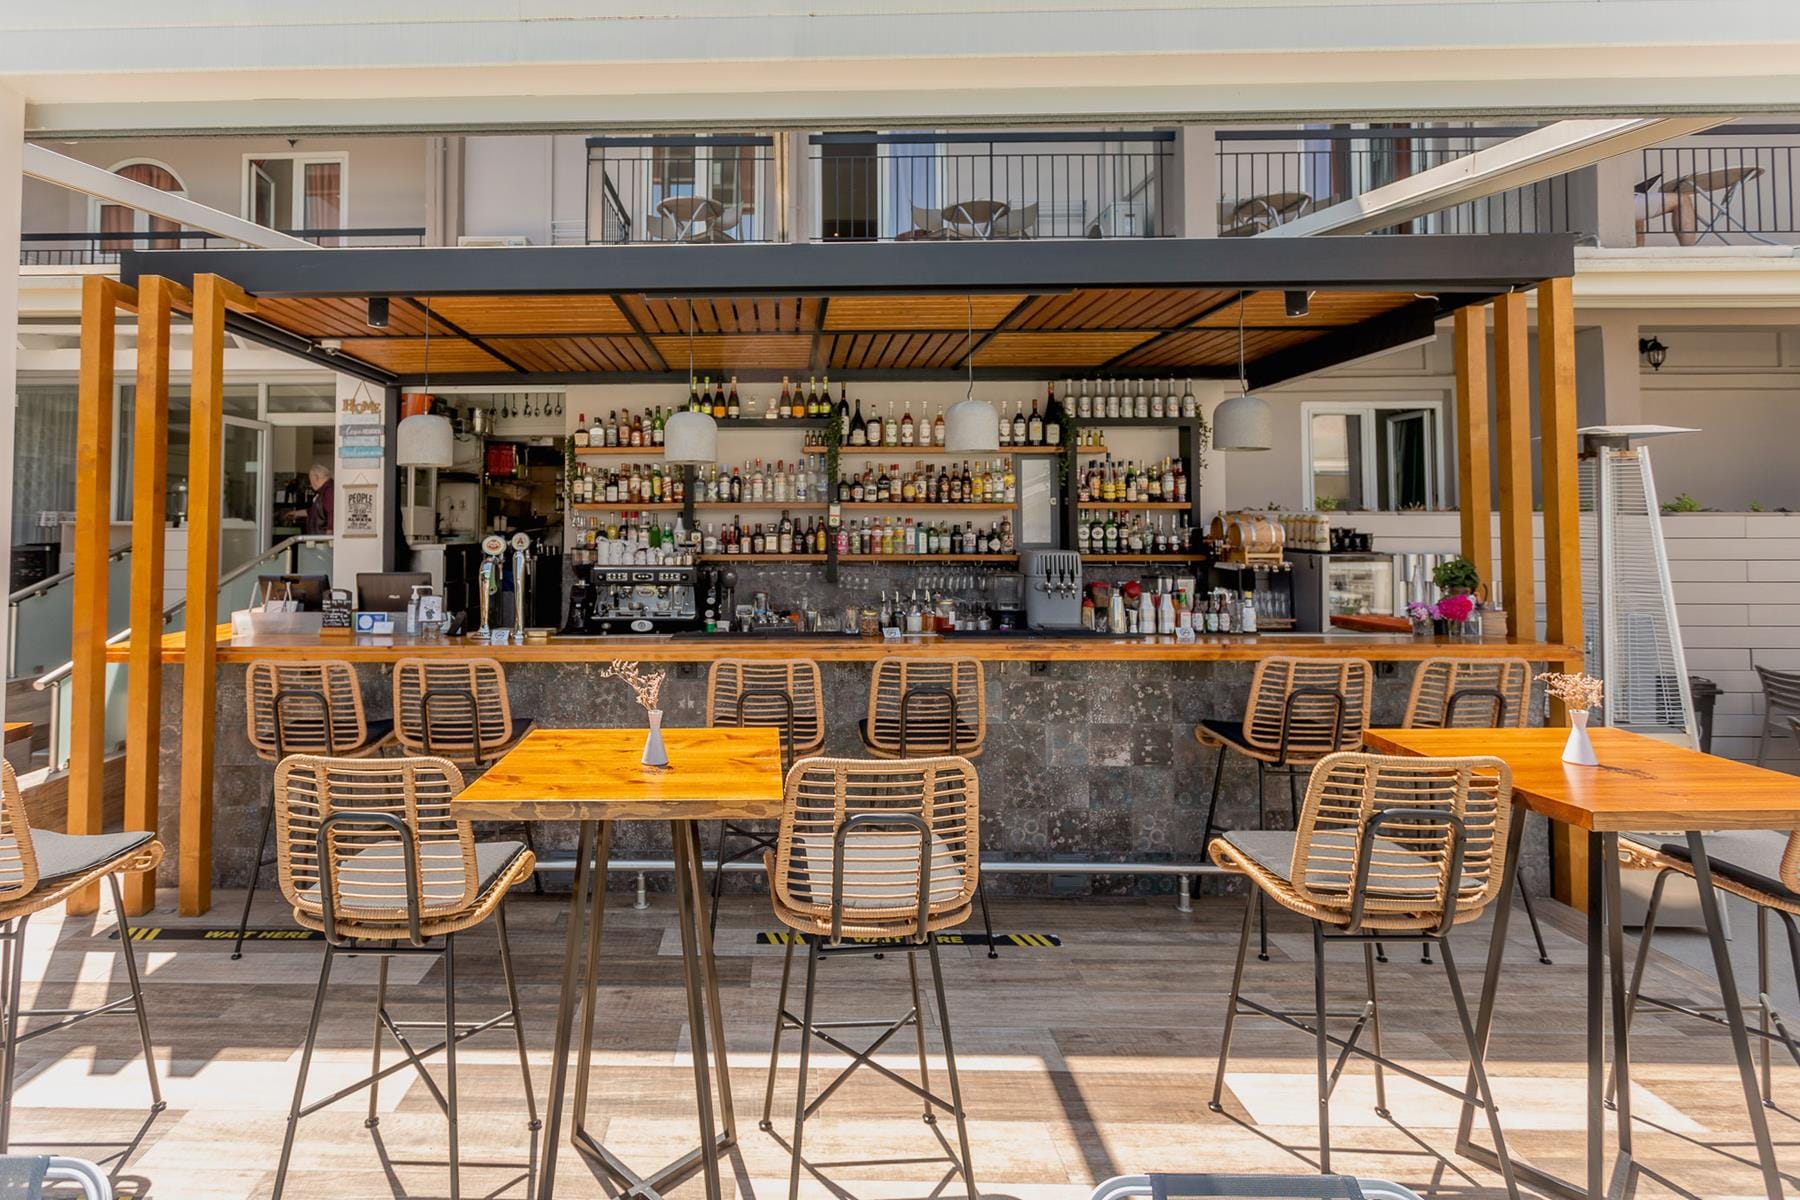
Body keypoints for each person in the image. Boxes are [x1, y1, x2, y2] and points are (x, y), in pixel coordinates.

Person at [300, 463, 334, 534]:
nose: (310, 484)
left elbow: (330, 511)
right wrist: (297, 514)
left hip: (322, 537)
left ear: (315, 477)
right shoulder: (325, 489)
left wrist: (329, 532)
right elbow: (317, 511)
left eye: (310, 480)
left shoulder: (328, 490)